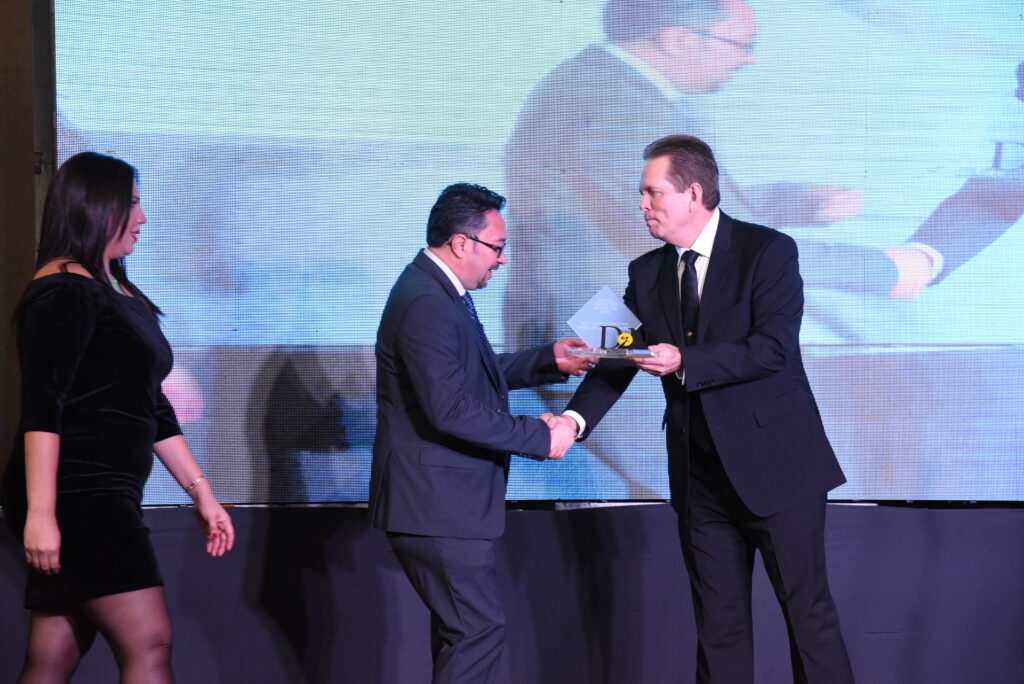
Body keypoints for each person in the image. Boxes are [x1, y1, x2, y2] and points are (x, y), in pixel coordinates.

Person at [549, 135, 855, 683]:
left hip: (779, 470)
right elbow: (614, 359)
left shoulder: (769, 250)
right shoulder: (644, 272)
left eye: (652, 192)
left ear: (693, 193)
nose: (641, 204)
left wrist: (685, 360)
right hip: (699, 479)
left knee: (808, 619)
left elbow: (773, 348)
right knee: (718, 629)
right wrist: (572, 422)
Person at [0, 152, 235, 683]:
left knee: (55, 654)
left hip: (103, 492)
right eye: (131, 204)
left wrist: (202, 493)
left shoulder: (115, 289)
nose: (143, 218)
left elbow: (151, 405)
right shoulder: (62, 290)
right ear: (95, 207)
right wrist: (42, 513)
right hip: (79, 494)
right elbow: (43, 408)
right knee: (149, 641)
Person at [369, 183, 589, 683]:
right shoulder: (427, 302)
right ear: (461, 243)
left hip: (442, 504)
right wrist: (540, 437)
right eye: (497, 247)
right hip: (437, 506)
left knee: (465, 634)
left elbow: (470, 373)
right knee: (476, 633)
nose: (503, 259)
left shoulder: (435, 291)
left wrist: (548, 360)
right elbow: (450, 409)